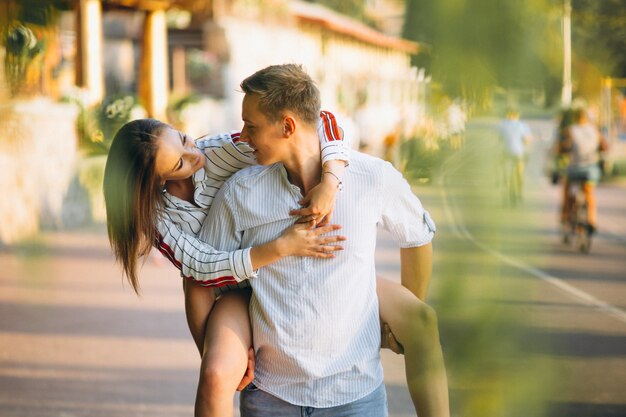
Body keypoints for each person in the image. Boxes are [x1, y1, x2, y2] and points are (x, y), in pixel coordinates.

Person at [199, 64, 449, 417]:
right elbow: (203, 274)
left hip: (355, 396)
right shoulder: (241, 192)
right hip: (271, 397)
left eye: (252, 126)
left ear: (287, 126)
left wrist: (400, 318)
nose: (243, 136)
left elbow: (418, 236)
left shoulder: (371, 177)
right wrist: (226, 351)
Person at [103, 112, 349, 417]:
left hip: (287, 269)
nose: (194, 154)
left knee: (413, 316)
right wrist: (280, 246)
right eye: (179, 163)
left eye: (182, 139)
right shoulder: (156, 216)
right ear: (156, 180)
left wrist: (330, 180)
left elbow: (319, 119)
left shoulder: (219, 149)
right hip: (229, 291)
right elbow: (199, 267)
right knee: (215, 371)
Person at [559, 107, 605, 234]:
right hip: (591, 170)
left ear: (575, 118)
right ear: (586, 118)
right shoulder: (595, 131)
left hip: (574, 169)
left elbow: (562, 147)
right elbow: (604, 146)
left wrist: (562, 152)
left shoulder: (570, 130)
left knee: (567, 189)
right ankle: (591, 220)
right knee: (589, 192)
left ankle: (566, 215)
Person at [498, 109, 532, 206]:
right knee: (520, 174)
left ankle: (505, 188)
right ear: (517, 115)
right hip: (518, 154)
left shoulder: (502, 124)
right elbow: (527, 140)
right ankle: (520, 193)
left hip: (505, 154)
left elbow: (499, 138)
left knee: (503, 170)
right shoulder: (522, 125)